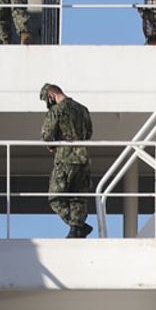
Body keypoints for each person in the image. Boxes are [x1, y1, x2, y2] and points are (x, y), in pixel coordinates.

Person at [40, 83, 94, 238]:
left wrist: (52, 145)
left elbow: (47, 135)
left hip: (65, 158)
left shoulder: (57, 110)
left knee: (55, 197)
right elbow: (89, 133)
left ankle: (78, 226)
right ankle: (76, 229)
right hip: (83, 157)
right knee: (78, 197)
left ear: (51, 96)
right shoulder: (83, 109)